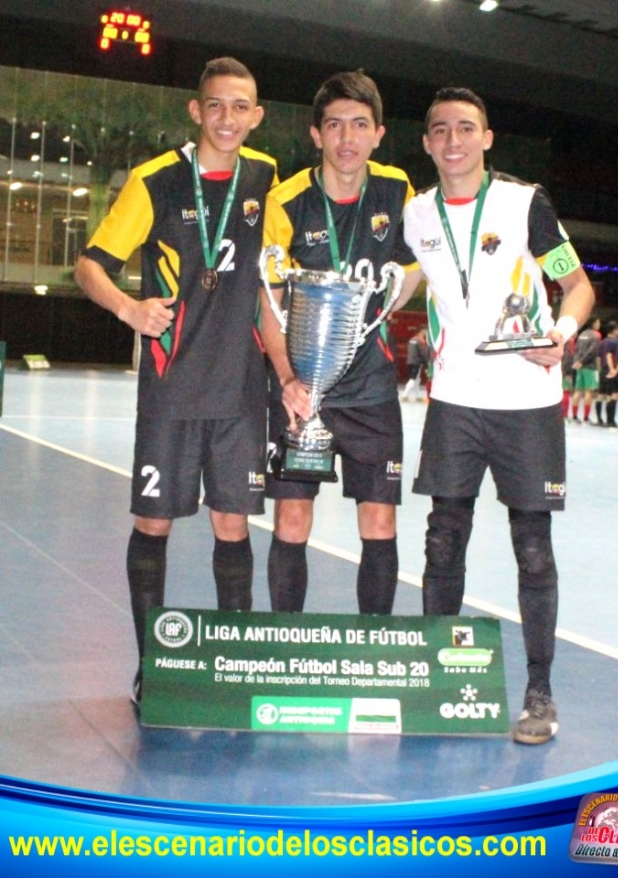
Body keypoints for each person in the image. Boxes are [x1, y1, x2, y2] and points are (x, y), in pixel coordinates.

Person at [74, 57, 278, 704]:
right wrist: (130, 310)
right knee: (154, 525)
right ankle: (153, 665)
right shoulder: (156, 180)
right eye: (215, 105)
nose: (227, 117)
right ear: (196, 111)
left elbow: (277, 285)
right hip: (170, 386)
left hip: (242, 392)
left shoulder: (267, 179)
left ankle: (237, 667)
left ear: (256, 116)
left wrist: (291, 374)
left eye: (239, 106)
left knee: (234, 529)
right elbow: (90, 266)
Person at [402, 86, 595, 745]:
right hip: (455, 397)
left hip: (526, 400)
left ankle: (539, 693)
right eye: (440, 130)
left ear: (487, 138)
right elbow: (408, 278)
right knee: (441, 537)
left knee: (533, 549)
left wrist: (563, 334)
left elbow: (577, 284)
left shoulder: (524, 204)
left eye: (466, 128)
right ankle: (434, 678)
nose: (452, 140)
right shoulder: (416, 215)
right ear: (427, 143)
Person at [259, 70, 421, 616]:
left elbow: (415, 261)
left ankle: (373, 645)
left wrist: (404, 283)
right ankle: (286, 644)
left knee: (379, 519)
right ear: (316, 134)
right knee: (292, 518)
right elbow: (269, 299)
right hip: (302, 388)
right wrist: (286, 379)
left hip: (372, 387)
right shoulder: (286, 202)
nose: (347, 139)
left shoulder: (396, 189)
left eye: (359, 125)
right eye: (335, 126)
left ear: (378, 134)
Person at [570, 316, 601, 424]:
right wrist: (583, 361)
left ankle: (574, 416)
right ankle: (586, 418)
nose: (599, 324)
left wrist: (577, 362)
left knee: (577, 391)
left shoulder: (581, 335)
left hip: (579, 366)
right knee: (588, 392)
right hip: (589, 366)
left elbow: (576, 350)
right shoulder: (596, 335)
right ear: (593, 324)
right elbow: (592, 351)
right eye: (598, 322)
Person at [595, 320, 618, 426]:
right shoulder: (615, 342)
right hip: (611, 370)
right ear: (615, 330)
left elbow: (598, 357)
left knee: (601, 394)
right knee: (612, 395)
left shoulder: (602, 342)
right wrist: (613, 369)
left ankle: (599, 419)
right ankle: (610, 420)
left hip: (603, 370)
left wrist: (600, 369)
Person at [402, 326, 430, 402]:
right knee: (413, 379)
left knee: (417, 380)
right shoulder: (420, 342)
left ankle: (417, 396)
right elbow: (423, 353)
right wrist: (426, 364)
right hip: (417, 362)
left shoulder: (412, 340)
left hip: (410, 361)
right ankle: (404, 395)